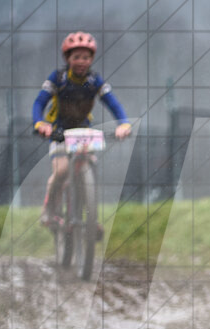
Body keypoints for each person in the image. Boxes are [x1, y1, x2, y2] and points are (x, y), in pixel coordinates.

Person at [31, 32, 132, 234]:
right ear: (67, 59)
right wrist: (40, 123)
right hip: (58, 130)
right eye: (76, 57)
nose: (81, 62)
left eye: (85, 57)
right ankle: (49, 210)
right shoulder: (58, 78)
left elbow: (113, 103)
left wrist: (123, 123)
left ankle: (90, 217)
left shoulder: (95, 81)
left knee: (89, 165)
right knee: (60, 171)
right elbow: (39, 102)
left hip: (83, 130)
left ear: (91, 59)